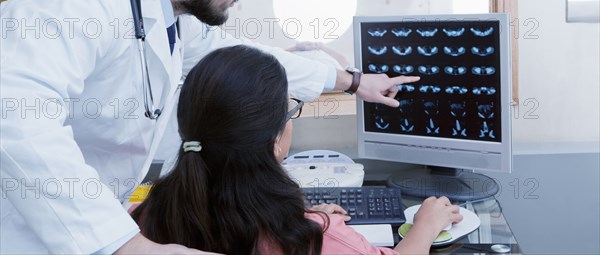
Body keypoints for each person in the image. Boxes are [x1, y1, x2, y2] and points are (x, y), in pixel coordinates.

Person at [0, 0, 419, 254]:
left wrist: (350, 81)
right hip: (27, 229)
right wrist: (126, 245)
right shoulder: (76, 1)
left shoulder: (171, 15)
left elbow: (247, 58)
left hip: (98, 217)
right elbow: (15, 116)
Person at [130, 45, 462, 254]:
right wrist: (425, 226)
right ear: (275, 141)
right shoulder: (311, 240)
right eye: (290, 111)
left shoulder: (140, 220)